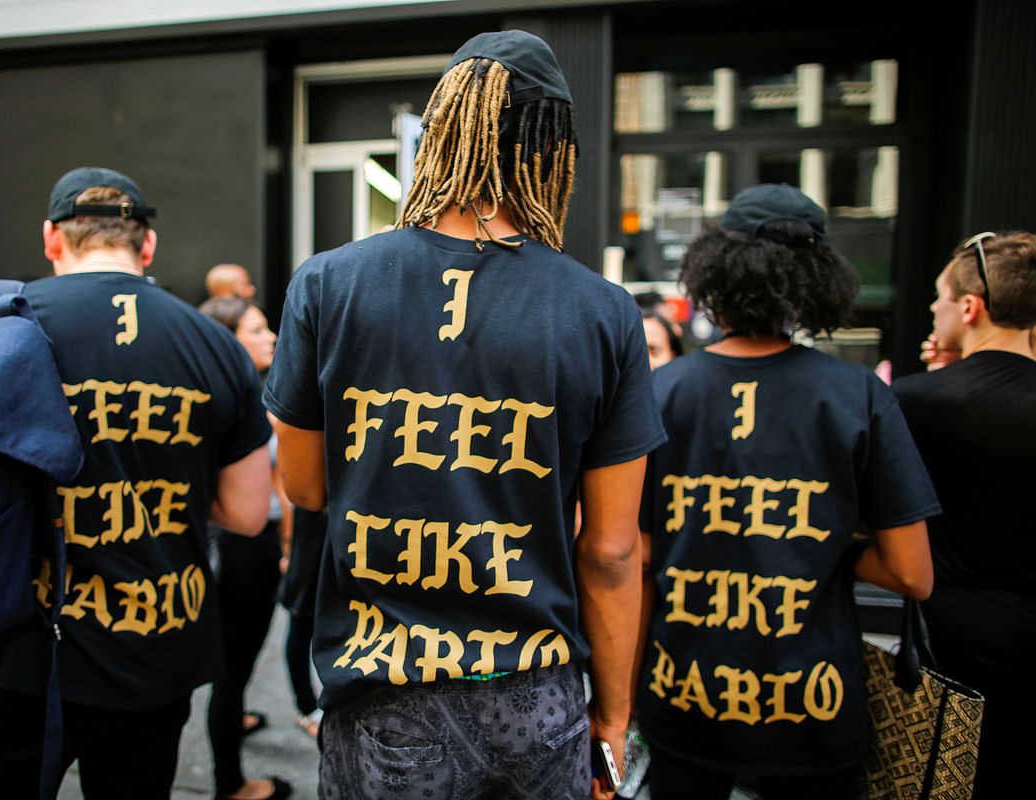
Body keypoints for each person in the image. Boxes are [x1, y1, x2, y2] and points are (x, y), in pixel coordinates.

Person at [264, 30, 665, 800]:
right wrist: (613, 720)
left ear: (442, 131)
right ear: (553, 150)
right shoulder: (606, 314)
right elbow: (612, 552)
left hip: (385, 696)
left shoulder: (325, 285)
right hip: (534, 698)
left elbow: (307, 490)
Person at [0, 167, 273, 799]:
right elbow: (250, 514)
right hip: (155, 643)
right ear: (146, 245)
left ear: (51, 239)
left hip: (15, 646)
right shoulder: (218, 344)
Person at [634, 184, 937, 800]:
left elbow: (632, 559)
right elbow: (913, 574)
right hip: (813, 709)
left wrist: (619, 703)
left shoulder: (661, 393)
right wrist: (839, 549)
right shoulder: (858, 395)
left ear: (714, 268)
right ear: (818, 277)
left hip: (683, 697)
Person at [892, 230, 1036, 800]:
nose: (933, 309)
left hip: (946, 656)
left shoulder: (914, 401)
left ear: (970, 307)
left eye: (940, 297)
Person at [198, 295, 292, 800]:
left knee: (235, 666)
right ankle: (231, 785)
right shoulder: (236, 397)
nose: (270, 336)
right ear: (228, 340)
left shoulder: (228, 389)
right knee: (232, 670)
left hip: (238, 545)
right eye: (256, 330)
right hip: (242, 547)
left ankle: (234, 720)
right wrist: (285, 541)